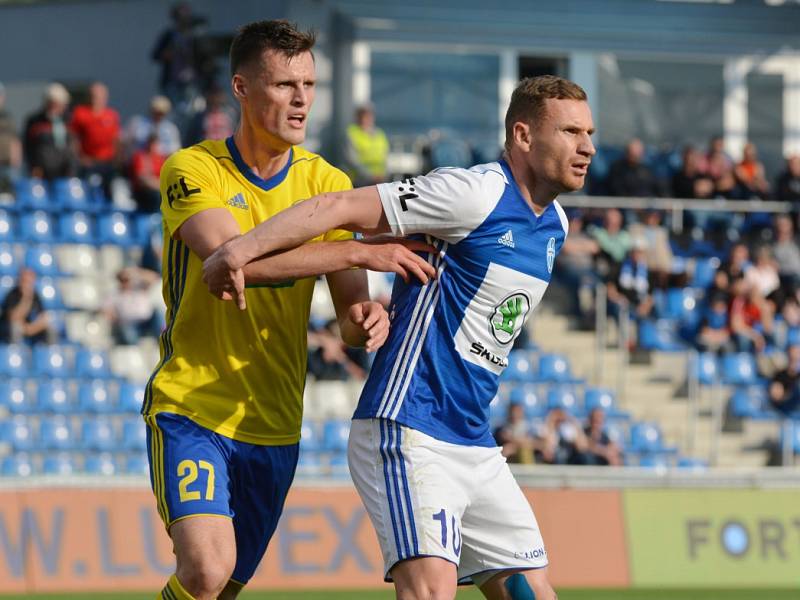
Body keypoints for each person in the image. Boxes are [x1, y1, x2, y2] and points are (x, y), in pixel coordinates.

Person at [203, 74, 595, 600]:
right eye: (571, 132)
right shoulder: (474, 192)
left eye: (589, 133)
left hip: (473, 441)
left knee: (532, 591)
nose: (588, 147)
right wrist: (241, 250)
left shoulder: (555, 226)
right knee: (431, 591)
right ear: (523, 136)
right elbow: (342, 209)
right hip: (409, 428)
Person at [145, 20, 436, 600]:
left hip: (276, 424)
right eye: (283, 84)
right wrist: (352, 246)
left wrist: (366, 320)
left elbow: (351, 314)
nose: (301, 98)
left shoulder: (327, 182)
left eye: (308, 83)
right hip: (193, 407)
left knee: (221, 589)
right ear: (242, 89)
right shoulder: (192, 170)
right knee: (205, 570)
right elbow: (233, 264)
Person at [69, 81, 120, 200]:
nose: (95, 99)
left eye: (98, 96)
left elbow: (115, 140)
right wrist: (80, 158)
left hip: (107, 162)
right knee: (86, 191)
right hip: (88, 161)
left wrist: (117, 160)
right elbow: (73, 138)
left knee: (110, 193)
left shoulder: (111, 115)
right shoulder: (80, 113)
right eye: (93, 96)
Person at [23, 83, 75, 181]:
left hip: (64, 171)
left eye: (61, 104)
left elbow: (72, 147)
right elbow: (28, 146)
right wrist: (34, 166)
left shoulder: (68, 121)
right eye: (54, 104)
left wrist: (72, 168)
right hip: (42, 171)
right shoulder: (35, 121)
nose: (58, 107)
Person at [0, 268, 56, 344]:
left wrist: (30, 329)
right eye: (25, 281)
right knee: (16, 327)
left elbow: (42, 316)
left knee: (50, 324)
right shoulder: (12, 294)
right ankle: (16, 352)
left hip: (29, 327)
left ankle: (47, 351)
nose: (27, 284)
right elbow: (14, 318)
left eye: (30, 281)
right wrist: (26, 299)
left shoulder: (35, 295)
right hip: (11, 329)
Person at [344, 103, 389, 187]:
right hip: (360, 180)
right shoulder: (352, 133)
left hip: (380, 180)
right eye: (363, 116)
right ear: (358, 117)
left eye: (369, 116)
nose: (366, 119)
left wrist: (383, 174)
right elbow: (351, 160)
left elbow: (385, 157)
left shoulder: (380, 134)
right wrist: (370, 176)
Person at [129, 134, 167, 213]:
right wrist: (158, 185)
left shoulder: (159, 158)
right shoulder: (141, 156)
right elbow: (142, 178)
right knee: (155, 195)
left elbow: (164, 177)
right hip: (142, 191)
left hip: (157, 188)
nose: (153, 146)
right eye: (151, 143)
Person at [0, 82, 22, 194]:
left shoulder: (8, 117)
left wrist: (16, 156)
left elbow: (15, 138)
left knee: (10, 191)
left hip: (8, 163)